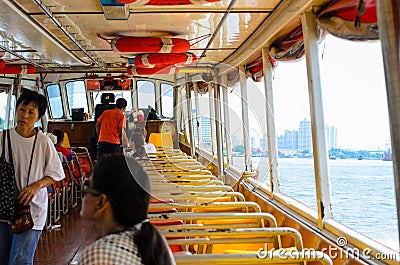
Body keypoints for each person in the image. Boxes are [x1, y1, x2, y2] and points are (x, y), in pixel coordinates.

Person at [0, 90, 64, 265]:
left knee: (20, 260)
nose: (24, 116)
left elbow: (56, 173)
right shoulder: (3, 138)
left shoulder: (43, 142)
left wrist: (36, 186)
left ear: (38, 117)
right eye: (22, 109)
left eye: (31, 112)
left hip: (31, 211)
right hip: (4, 208)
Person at [78, 155, 175, 265]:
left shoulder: (98, 257)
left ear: (101, 202)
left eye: (87, 187)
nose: (84, 194)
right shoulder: (156, 243)